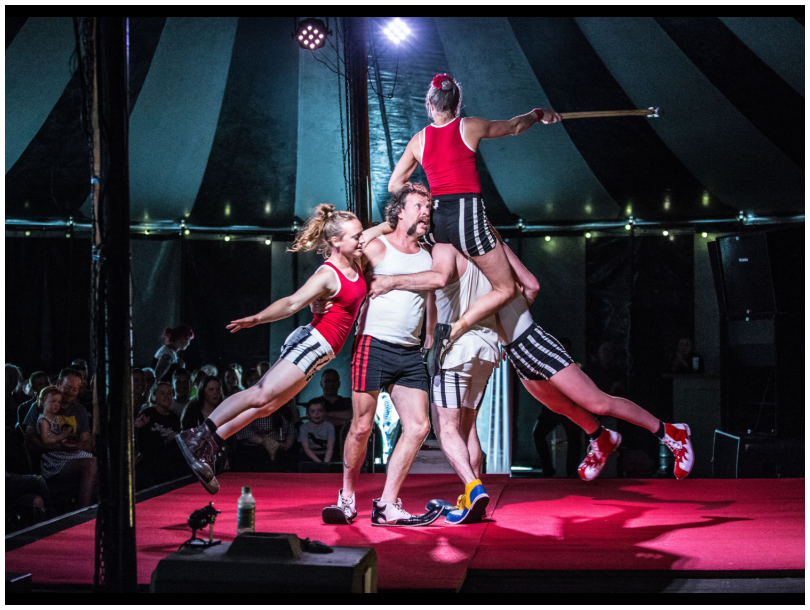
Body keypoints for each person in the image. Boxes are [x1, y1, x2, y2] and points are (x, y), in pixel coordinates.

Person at [374, 237, 695, 482]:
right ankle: (602, 438)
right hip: (515, 350)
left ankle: (670, 432)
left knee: (598, 403)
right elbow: (525, 287)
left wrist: (516, 319)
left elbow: (529, 285)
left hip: (530, 341)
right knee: (561, 407)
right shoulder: (457, 255)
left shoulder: (487, 244)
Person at [176, 204, 387, 494]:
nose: (362, 241)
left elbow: (381, 229)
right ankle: (199, 434)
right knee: (261, 393)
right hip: (311, 344)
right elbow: (291, 303)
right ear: (336, 242)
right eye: (356, 237)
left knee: (269, 404)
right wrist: (258, 318)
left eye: (361, 235)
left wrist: (407, 223)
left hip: (320, 353)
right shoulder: (329, 274)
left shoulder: (355, 256)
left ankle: (210, 444)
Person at [387, 73, 560, 345]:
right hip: (467, 219)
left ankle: (431, 337)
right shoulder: (470, 126)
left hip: (437, 224)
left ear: (429, 105)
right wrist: (538, 114)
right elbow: (515, 126)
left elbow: (395, 184)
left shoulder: (418, 141)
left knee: (441, 280)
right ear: (457, 105)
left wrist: (426, 196)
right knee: (506, 288)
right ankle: (455, 330)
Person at [323, 182, 443, 528]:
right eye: (419, 205)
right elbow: (343, 259)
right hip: (372, 345)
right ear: (400, 210)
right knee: (361, 427)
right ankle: (346, 499)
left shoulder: (427, 254)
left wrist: (431, 330)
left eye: (428, 207)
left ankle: (387, 504)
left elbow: (431, 293)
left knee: (419, 426)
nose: (426, 212)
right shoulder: (376, 247)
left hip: (409, 353)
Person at [423, 243, 500, 524]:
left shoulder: (442, 251)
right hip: (486, 348)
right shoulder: (486, 256)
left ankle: (473, 486)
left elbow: (435, 285)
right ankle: (471, 500)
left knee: (446, 428)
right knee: (467, 428)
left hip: (457, 349)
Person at [33, 385, 96, 508]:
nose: (56, 405)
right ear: (43, 402)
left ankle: (93, 505)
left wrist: (70, 440)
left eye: (58, 402)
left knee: (97, 462)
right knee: (92, 464)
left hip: (63, 453)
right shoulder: (43, 420)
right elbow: (45, 440)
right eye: (53, 402)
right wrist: (62, 437)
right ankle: (84, 510)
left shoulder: (56, 417)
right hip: (53, 459)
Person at [532, 337, 585, 478]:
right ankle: (548, 469)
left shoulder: (576, 367)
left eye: (567, 349)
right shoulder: (548, 366)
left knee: (574, 438)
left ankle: (571, 472)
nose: (564, 351)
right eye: (562, 348)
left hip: (570, 408)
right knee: (538, 434)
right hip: (552, 408)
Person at [134, 382, 186, 488]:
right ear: (154, 397)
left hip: (169, 463)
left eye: (169, 393)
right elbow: (144, 445)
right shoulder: (147, 414)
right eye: (162, 393)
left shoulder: (174, 418)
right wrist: (166, 440)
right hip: (150, 463)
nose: (166, 396)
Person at [231, 398, 298, 472]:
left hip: (282, 451)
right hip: (257, 452)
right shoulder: (255, 410)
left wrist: (288, 443)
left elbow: (292, 430)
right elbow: (244, 431)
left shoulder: (285, 411)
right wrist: (266, 442)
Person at [299, 398, 335, 465]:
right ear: (307, 414)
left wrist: (325, 464)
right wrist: (319, 463)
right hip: (309, 456)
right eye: (313, 411)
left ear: (324, 412)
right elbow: (306, 449)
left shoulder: (330, 426)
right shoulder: (303, 428)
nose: (317, 414)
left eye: (320, 411)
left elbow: (330, 448)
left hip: (326, 456)